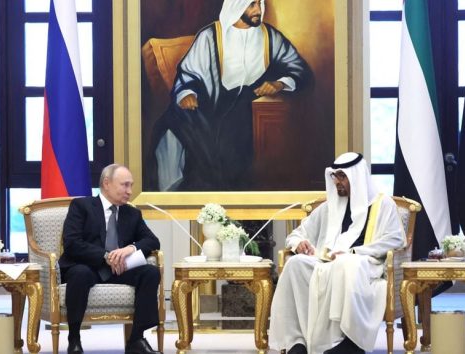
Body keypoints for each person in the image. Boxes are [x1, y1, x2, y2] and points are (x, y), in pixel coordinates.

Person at [147, 0, 312, 191]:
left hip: (245, 106)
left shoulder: (270, 37)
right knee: (172, 124)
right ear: (236, 6)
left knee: (232, 140)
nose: (258, 10)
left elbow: (299, 68)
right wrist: (187, 93)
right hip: (208, 102)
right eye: (252, 5)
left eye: (259, 4)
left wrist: (279, 83)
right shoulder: (210, 36)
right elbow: (188, 74)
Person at [269, 152, 405, 354]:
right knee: (295, 264)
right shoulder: (329, 207)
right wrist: (299, 243)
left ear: (357, 177)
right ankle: (296, 342)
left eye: (342, 177)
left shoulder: (383, 205)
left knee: (347, 264)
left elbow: (396, 239)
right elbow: (297, 233)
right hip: (326, 262)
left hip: (364, 263)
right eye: (335, 177)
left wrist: (353, 251)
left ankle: (351, 343)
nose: (337, 182)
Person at [59, 164, 162, 354]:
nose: (130, 191)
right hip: (88, 266)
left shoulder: (132, 213)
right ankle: (74, 338)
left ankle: (136, 339)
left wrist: (130, 248)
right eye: (125, 185)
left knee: (150, 272)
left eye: (131, 185)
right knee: (79, 274)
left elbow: (152, 241)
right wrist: (105, 256)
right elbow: (72, 243)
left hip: (119, 269)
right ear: (106, 183)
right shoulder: (82, 206)